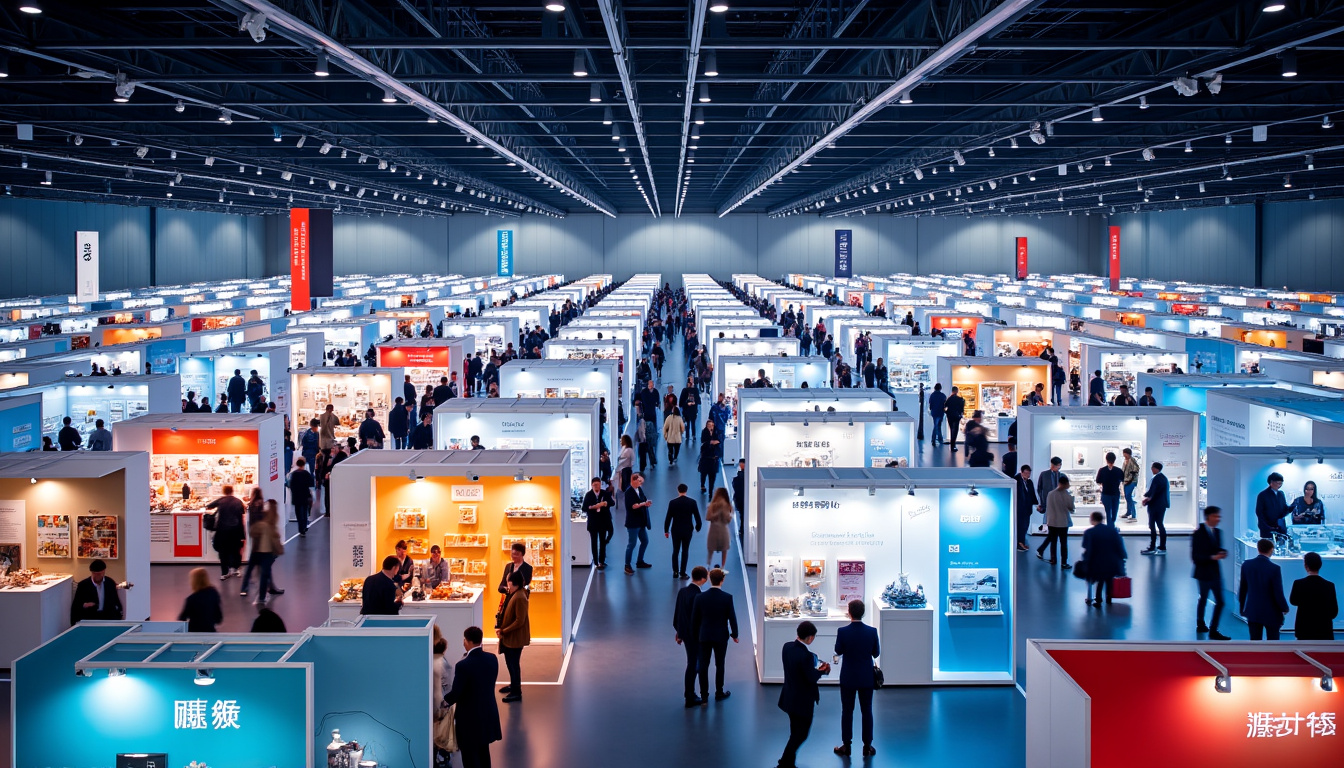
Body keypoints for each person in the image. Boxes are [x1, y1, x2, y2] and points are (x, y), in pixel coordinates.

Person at [444, 626, 502, 768]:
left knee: (469, 757)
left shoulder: (463, 665)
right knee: (484, 752)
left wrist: (444, 702)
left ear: (468, 641)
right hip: (487, 713)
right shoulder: (492, 659)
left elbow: (457, 692)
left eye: (464, 640)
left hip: (469, 719)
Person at [777, 621, 830, 768]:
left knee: (794, 731)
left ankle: (789, 763)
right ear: (810, 637)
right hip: (802, 702)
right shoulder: (805, 656)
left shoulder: (787, 647)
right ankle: (783, 763)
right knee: (801, 734)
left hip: (789, 697)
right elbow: (811, 677)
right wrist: (822, 671)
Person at [834, 599, 880, 757]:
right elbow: (876, 653)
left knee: (847, 711)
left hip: (848, 677)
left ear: (849, 612)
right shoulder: (872, 632)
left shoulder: (842, 631)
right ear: (864, 612)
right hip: (866, 677)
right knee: (867, 711)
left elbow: (838, 650)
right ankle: (867, 746)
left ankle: (846, 746)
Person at [691, 567, 739, 702]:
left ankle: (704, 696)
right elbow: (732, 617)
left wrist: (695, 636)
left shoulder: (700, 597)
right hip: (721, 636)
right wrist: (735, 634)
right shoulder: (727, 598)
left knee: (703, 666)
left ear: (710, 580)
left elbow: (694, 620)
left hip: (704, 636)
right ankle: (719, 692)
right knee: (720, 664)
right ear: (722, 580)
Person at [1192, 506, 1231, 640]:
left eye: (1219, 516)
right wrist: (1212, 557)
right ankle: (1201, 623)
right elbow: (1195, 557)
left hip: (1215, 573)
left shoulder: (1218, 532)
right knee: (1203, 598)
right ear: (1208, 517)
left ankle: (1213, 629)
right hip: (1203, 573)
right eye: (1215, 516)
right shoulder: (1198, 534)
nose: (1218, 519)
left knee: (1220, 601)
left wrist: (1222, 552)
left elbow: (1217, 548)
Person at [1238, 538, 1289, 640]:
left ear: (1258, 549)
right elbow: (1277, 592)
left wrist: (1242, 608)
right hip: (1272, 613)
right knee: (1273, 642)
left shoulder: (1247, 565)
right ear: (1271, 550)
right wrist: (1284, 607)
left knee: (1255, 641)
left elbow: (1243, 589)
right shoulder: (1274, 569)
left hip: (1253, 610)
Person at [674, 566, 709, 706]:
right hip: (696, 636)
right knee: (694, 664)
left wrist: (679, 632)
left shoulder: (683, 592)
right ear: (703, 579)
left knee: (691, 663)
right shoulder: (699, 596)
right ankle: (690, 695)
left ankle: (690, 693)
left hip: (686, 634)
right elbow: (699, 619)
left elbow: (679, 614)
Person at [496, 570, 530, 703]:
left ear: (513, 582)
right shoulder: (515, 594)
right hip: (511, 637)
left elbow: (519, 621)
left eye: (508, 581)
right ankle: (513, 685)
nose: (507, 584)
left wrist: (504, 631)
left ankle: (516, 691)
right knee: (510, 663)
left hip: (514, 637)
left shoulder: (520, 597)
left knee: (513, 664)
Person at [1080, 511, 1126, 606]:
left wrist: (1086, 561)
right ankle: (1109, 599)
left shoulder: (1089, 532)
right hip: (1112, 561)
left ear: (1092, 519)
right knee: (1109, 579)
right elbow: (1119, 546)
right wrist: (1122, 558)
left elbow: (1086, 547)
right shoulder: (1113, 531)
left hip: (1097, 562)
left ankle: (1098, 600)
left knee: (1099, 580)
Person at [1290, 552, 1338, 640]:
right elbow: (1334, 612)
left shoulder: (1298, 584)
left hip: (1304, 629)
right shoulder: (1329, 585)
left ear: (1305, 565)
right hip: (1324, 630)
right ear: (1320, 565)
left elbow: (1293, 601)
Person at [247, 500, 285, 607]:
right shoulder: (271, 517)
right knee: (263, 572)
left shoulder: (264, 517)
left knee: (263, 571)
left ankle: (265, 591)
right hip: (266, 549)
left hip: (263, 548)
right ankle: (265, 592)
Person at [206, 485, 246, 580]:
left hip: (222, 529)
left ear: (224, 491)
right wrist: (242, 534)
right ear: (232, 491)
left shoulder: (221, 500)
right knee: (236, 550)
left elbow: (209, 506)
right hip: (235, 530)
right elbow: (241, 517)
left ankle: (224, 572)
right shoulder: (238, 501)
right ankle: (235, 569)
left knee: (223, 551)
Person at [664, 483, 703, 579]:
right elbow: (697, 517)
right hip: (687, 530)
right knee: (685, 550)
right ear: (686, 490)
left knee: (675, 550)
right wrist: (698, 527)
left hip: (676, 530)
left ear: (678, 490)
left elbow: (668, 517)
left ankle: (675, 572)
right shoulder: (692, 502)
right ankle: (683, 572)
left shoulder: (672, 502)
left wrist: (666, 530)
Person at [70, 558, 123, 623]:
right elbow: (76, 606)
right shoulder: (83, 585)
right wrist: (84, 605)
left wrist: (118, 617)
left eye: (99, 574)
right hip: (90, 618)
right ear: (92, 573)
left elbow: (116, 602)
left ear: (104, 572)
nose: (97, 576)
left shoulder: (110, 583)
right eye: (95, 574)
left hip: (107, 618)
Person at [1038, 474, 1073, 568]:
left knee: (1053, 542)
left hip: (1052, 522)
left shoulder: (1050, 494)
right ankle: (1064, 562)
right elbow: (1071, 508)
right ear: (1065, 484)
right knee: (1063, 543)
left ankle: (1053, 559)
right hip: (1063, 522)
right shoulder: (1067, 495)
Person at [623, 472, 654, 574]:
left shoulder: (639, 489)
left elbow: (643, 500)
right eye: (639, 481)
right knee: (632, 544)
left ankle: (640, 561)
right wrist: (643, 504)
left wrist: (646, 503)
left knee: (645, 541)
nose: (641, 483)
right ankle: (627, 565)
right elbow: (633, 506)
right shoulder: (628, 492)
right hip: (633, 523)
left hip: (641, 522)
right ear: (633, 480)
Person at [583, 477, 615, 570]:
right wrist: (592, 507)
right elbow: (584, 508)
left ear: (601, 484)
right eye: (595, 485)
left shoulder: (605, 493)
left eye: (598, 484)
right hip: (593, 522)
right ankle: (596, 562)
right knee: (594, 542)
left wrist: (605, 503)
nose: (597, 486)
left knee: (602, 541)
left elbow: (612, 503)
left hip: (603, 521)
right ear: (592, 485)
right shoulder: (588, 495)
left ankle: (601, 561)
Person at [178, 567, 223, 632]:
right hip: (210, 631)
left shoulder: (191, 599)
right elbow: (218, 618)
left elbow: (182, 617)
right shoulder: (214, 592)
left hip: (194, 633)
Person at [1140, 462, 1170, 555]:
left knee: (1152, 525)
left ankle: (1153, 547)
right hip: (1161, 505)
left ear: (1156, 468)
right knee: (1159, 524)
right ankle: (1161, 546)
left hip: (1156, 505)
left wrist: (1147, 499)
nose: (1151, 469)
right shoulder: (1163, 478)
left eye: (1152, 468)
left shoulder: (1157, 478)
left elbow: (1154, 492)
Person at [705, 487, 733, 570]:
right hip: (723, 529)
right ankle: (722, 567)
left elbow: (708, 517)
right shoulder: (726, 504)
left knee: (711, 548)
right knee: (724, 549)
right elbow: (727, 518)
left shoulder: (712, 504)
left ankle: (708, 565)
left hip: (713, 529)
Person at [1095, 452, 1124, 526]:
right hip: (1115, 493)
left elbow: (1098, 481)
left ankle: (1110, 527)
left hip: (1106, 493)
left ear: (1106, 459)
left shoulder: (1102, 470)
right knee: (1114, 511)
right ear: (1114, 460)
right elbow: (1122, 480)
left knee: (1108, 511)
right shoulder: (1119, 470)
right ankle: (1112, 525)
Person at [1014, 464, 1038, 552]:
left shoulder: (1029, 482)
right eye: (1026, 473)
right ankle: (1019, 543)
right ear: (1022, 472)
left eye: (1029, 474)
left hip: (1027, 508)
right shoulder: (1016, 480)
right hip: (1019, 509)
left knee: (1025, 526)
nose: (1028, 475)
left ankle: (1022, 542)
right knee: (1020, 526)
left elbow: (1032, 494)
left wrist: (1036, 505)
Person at [289, 457, 315, 536]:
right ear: (303, 464)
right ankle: (304, 526)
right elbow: (311, 483)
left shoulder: (294, 474)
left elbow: (291, 485)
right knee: (304, 512)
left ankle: (301, 529)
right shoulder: (306, 474)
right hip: (305, 495)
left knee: (298, 513)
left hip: (297, 496)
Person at [699, 419, 722, 493]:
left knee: (712, 476)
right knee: (704, 473)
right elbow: (703, 441)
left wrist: (714, 442)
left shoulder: (716, 432)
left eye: (712, 425)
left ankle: (710, 490)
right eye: (709, 425)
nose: (710, 427)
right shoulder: (704, 432)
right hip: (706, 457)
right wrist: (710, 442)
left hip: (713, 458)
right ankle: (702, 485)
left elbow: (719, 441)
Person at [1120, 447, 1140, 520]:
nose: (1124, 455)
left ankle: (1133, 515)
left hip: (1131, 482)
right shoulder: (1125, 461)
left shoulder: (1132, 460)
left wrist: (1130, 480)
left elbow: (1135, 470)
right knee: (1127, 497)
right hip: (1125, 481)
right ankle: (1128, 512)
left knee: (1128, 497)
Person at [944, 386, 966, 451]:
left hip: (950, 416)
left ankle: (952, 445)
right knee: (955, 430)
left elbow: (945, 406)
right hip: (956, 416)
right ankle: (953, 445)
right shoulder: (960, 399)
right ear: (957, 391)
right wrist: (961, 415)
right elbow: (962, 409)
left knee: (951, 429)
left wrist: (947, 412)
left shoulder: (949, 399)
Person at [732, 458, 747, 542]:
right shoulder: (743, 475)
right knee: (742, 513)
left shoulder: (740, 476)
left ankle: (742, 528)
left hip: (740, 497)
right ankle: (742, 528)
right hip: (741, 497)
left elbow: (736, 486)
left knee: (742, 513)